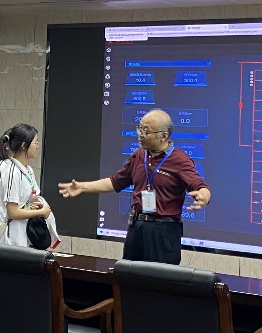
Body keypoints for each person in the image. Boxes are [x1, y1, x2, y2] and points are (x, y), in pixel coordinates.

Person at [60, 109, 210, 265]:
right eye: (140, 128)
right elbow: (115, 182)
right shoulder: (138, 156)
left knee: (159, 277)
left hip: (163, 231)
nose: (140, 134)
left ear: (163, 136)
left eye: (146, 131)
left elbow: (200, 186)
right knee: (129, 273)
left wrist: (203, 196)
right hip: (136, 227)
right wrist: (82, 187)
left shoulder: (180, 160)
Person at [0, 124, 55, 248]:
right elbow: (12, 212)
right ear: (24, 146)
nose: (37, 146)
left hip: (24, 233)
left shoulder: (28, 170)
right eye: (35, 142)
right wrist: (41, 212)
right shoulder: (12, 172)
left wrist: (35, 206)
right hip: (12, 237)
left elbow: (27, 200)